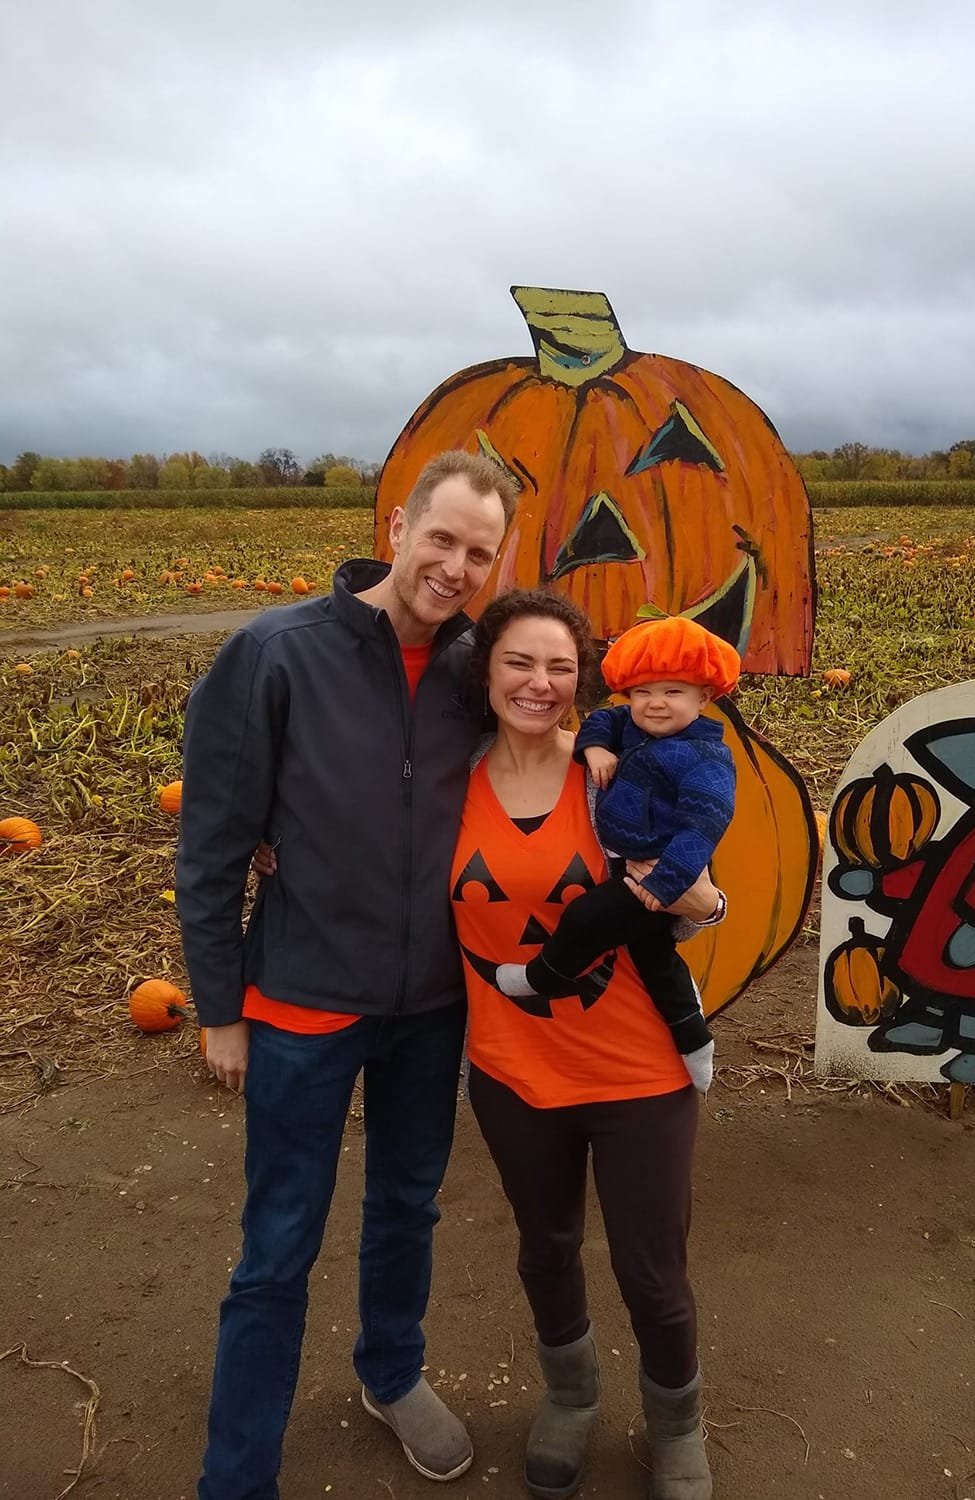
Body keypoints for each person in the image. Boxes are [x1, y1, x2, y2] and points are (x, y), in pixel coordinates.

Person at [175, 449, 519, 1499]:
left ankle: (390, 1371)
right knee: (278, 1243)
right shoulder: (277, 655)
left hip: (431, 1005)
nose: (455, 566)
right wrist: (221, 1008)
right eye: (442, 537)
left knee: (407, 1206)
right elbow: (212, 845)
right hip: (301, 1003)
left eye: (480, 552)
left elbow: (550, 758)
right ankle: (238, 1478)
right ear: (397, 524)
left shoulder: (480, 673)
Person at [453, 588, 724, 1500]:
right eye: (517, 663)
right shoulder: (441, 788)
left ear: (584, 682)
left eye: (559, 667)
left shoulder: (612, 772)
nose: (537, 683)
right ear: (484, 671)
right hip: (510, 1067)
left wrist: (703, 900)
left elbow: (697, 887)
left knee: (653, 1271)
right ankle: (570, 1399)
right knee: (545, 1245)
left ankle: (675, 1423)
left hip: (637, 1069)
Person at [495, 614, 739, 1093]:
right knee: (655, 961)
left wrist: (666, 886)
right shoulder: (630, 723)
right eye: (643, 692)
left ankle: (546, 975)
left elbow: (704, 825)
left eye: (673, 692)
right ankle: (694, 1040)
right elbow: (605, 718)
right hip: (636, 863)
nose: (655, 704)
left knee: (588, 918)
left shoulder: (703, 759)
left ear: (704, 697)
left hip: (665, 868)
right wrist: (595, 747)